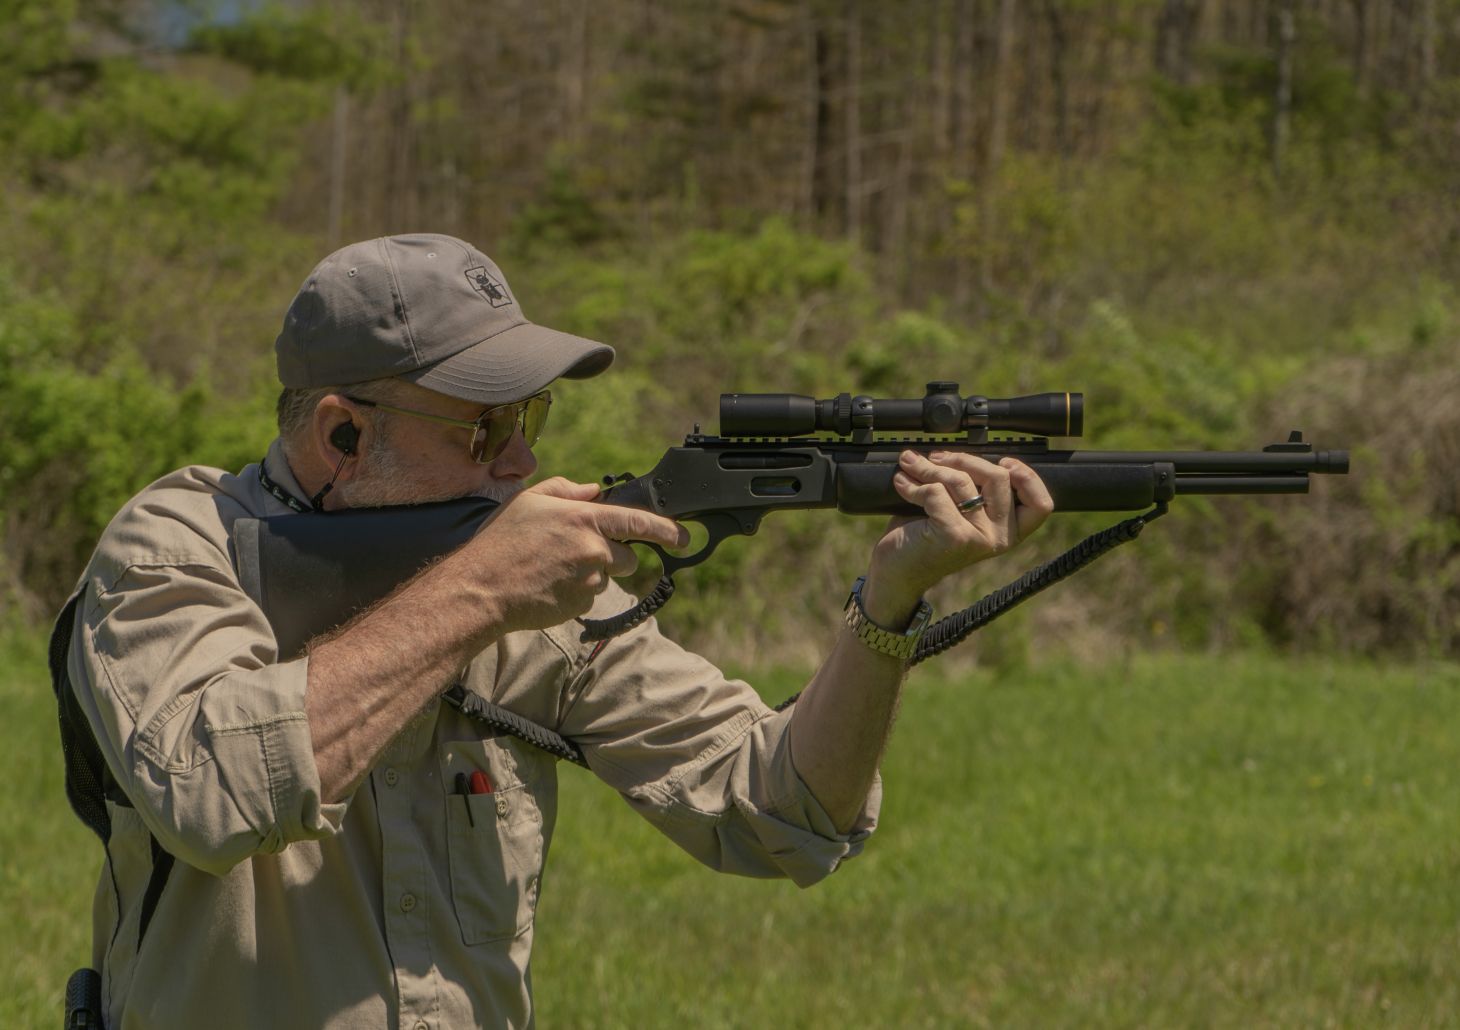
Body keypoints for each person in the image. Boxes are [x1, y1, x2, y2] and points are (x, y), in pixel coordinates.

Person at [62, 233, 1054, 1028]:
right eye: (483, 428)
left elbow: (783, 809)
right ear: (340, 433)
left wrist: (885, 607)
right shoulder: (180, 546)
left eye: (528, 417)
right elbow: (211, 793)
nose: (522, 460)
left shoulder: (524, 585)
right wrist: (477, 595)